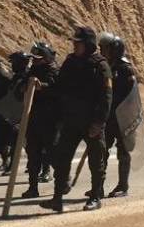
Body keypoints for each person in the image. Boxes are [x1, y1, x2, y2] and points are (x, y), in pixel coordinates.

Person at [42, 26, 113, 213]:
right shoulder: (70, 62)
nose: (75, 46)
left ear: (87, 44)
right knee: (61, 157)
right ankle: (57, 198)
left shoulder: (100, 65)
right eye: (74, 43)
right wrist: (42, 87)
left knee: (96, 161)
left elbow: (106, 97)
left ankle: (96, 196)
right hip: (71, 120)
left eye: (78, 43)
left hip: (92, 122)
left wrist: (99, 123)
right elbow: (59, 87)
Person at [20, 42, 60, 198]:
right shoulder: (32, 71)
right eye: (34, 59)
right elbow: (20, 86)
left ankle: (63, 179)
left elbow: (57, 88)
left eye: (38, 58)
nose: (34, 61)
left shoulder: (54, 70)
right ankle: (32, 187)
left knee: (52, 153)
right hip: (33, 117)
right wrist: (23, 87)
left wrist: (41, 86)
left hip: (50, 119)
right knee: (33, 153)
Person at [101, 33, 137, 198]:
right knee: (101, 150)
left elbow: (130, 95)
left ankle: (123, 185)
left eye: (105, 48)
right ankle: (98, 186)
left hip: (122, 117)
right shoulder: (107, 66)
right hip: (108, 117)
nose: (103, 51)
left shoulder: (124, 68)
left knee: (123, 152)